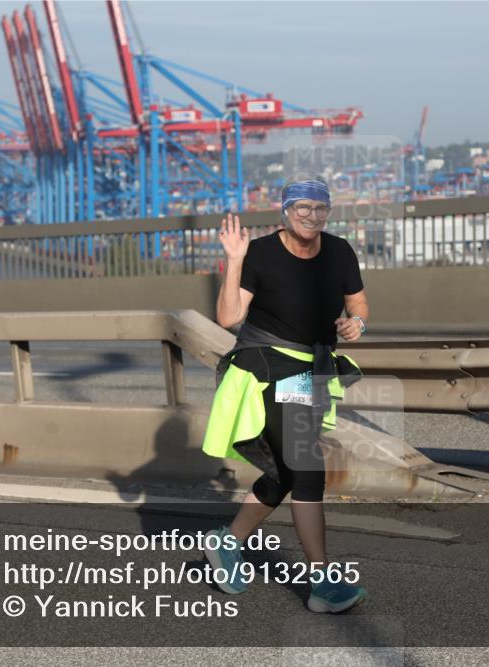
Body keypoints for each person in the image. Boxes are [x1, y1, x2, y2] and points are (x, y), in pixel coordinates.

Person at [200, 179, 370, 613]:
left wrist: (357, 325)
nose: (312, 215)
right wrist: (234, 260)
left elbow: (359, 305)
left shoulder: (339, 251)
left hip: (312, 371)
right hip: (269, 365)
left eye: (321, 207)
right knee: (307, 469)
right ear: (286, 210)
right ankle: (323, 584)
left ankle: (227, 541)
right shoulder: (259, 253)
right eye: (303, 207)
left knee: (287, 471)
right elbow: (227, 316)